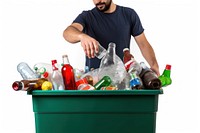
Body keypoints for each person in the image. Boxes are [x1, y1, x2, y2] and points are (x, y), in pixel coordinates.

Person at [63, 0, 160, 76]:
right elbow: (67, 33)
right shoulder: (87, 16)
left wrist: (154, 66)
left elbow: (143, 44)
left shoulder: (129, 14)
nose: (98, 1)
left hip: (122, 78)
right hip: (95, 82)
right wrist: (81, 36)